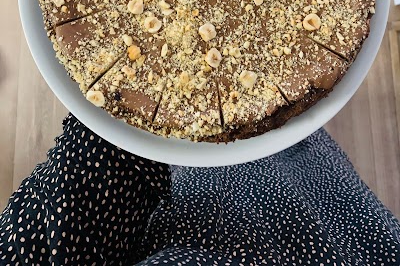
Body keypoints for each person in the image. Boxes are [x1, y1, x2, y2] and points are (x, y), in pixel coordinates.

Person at [0, 114, 399, 265]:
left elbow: (70, 201)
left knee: (272, 110)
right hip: (337, 231)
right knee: (290, 134)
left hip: (185, 193)